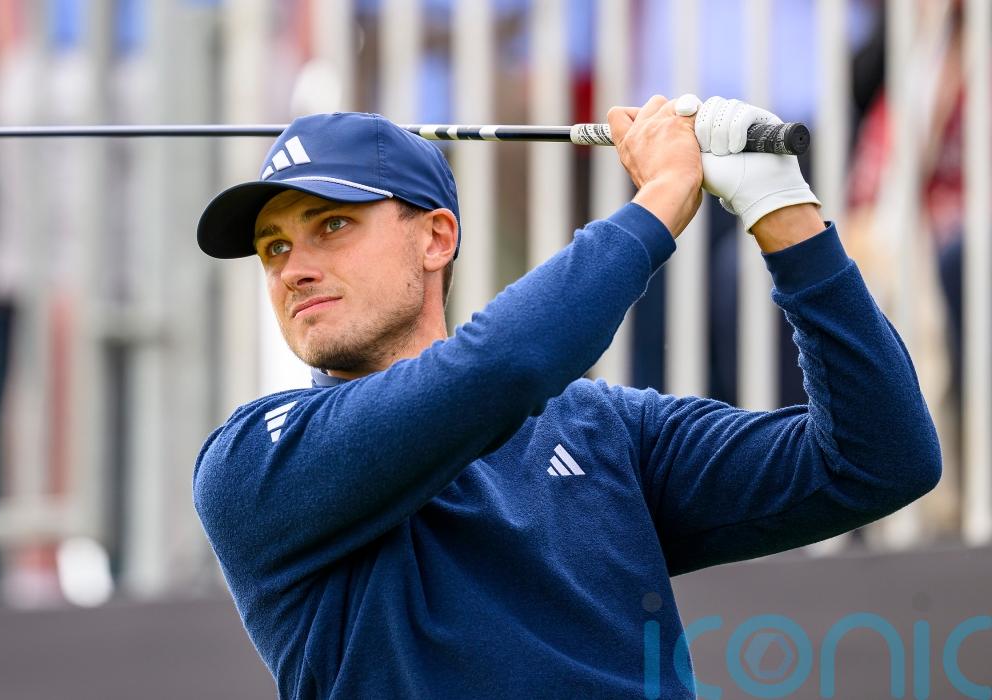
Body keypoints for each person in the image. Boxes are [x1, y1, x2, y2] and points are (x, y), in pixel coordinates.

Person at [192, 99, 941, 698]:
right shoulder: (255, 461)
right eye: (274, 247)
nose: (294, 269)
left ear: (436, 238)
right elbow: (503, 366)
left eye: (332, 225)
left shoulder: (602, 428)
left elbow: (881, 460)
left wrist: (784, 212)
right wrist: (662, 198)